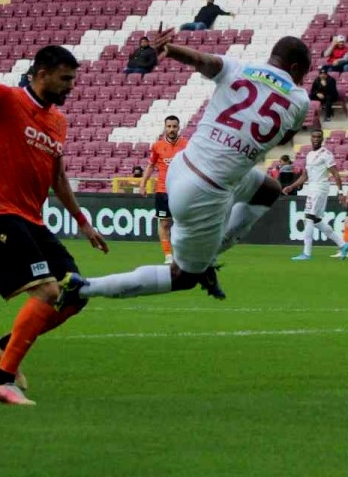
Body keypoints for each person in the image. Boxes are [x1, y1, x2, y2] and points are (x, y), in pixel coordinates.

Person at [61, 30, 314, 317]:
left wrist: (169, 48)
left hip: (183, 164)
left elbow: (201, 60)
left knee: (268, 189)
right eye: (303, 74)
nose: (302, 81)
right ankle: (83, 288)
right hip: (206, 191)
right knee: (183, 277)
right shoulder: (299, 98)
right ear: (294, 69)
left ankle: (208, 256)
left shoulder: (238, 67)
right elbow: (281, 139)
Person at [0, 0, 109, 406]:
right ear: (42, 74)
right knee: (45, 293)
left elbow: (57, 177)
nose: (70, 87)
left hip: (34, 221)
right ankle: (0, 379)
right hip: (0, 215)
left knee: (77, 293)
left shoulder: (59, 121)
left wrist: (82, 221)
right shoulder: (9, 100)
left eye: (73, 79)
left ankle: (8, 345)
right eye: (65, 79)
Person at [281, 130, 348, 260]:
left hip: (320, 188)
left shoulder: (326, 154)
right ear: (310, 138)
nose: (316, 138)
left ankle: (307, 253)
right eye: (314, 136)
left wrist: (340, 192)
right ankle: (342, 244)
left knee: (308, 217)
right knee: (316, 221)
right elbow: (305, 175)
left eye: (318, 136)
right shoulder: (310, 154)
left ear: (322, 139)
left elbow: (335, 174)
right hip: (312, 188)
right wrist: (292, 186)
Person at [138, 115, 187, 264]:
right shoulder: (157, 146)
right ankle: (168, 255)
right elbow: (151, 165)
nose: (171, 129)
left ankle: (181, 253)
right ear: (165, 127)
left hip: (182, 191)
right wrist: (143, 183)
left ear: (179, 128)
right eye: (169, 126)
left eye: (174, 126)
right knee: (164, 224)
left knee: (182, 224)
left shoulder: (187, 144)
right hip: (162, 190)